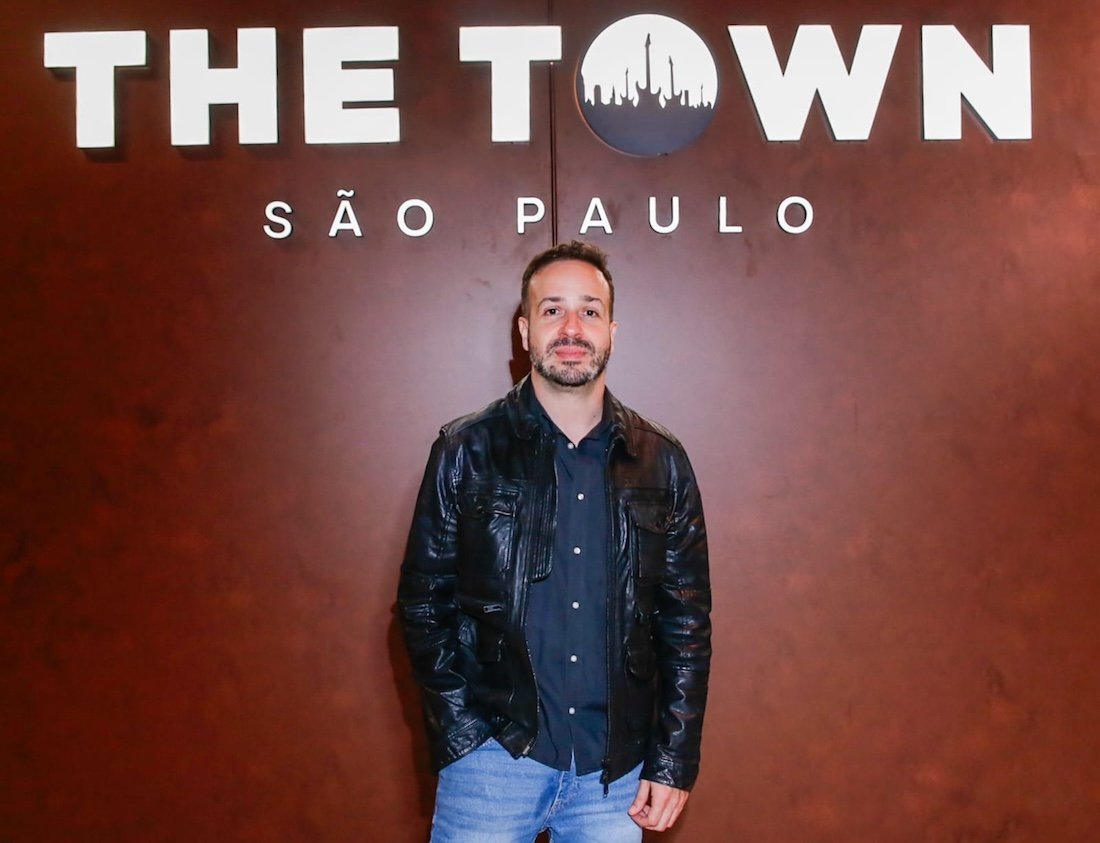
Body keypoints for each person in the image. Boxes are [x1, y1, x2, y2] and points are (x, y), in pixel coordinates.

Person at [398, 241, 711, 842]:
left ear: (612, 331)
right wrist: (464, 733)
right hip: (492, 762)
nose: (572, 328)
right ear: (525, 331)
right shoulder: (465, 451)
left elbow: (686, 625)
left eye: (589, 311)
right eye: (552, 310)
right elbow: (422, 605)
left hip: (614, 777)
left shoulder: (662, 462)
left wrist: (673, 759)